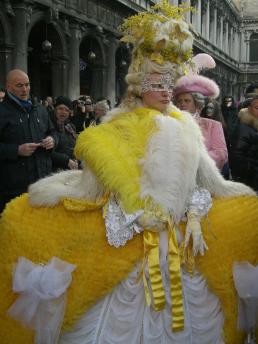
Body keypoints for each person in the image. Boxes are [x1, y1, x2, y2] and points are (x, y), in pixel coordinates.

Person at [0, 3, 257, 344]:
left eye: (170, 84)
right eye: (156, 82)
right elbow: (98, 179)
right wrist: (126, 206)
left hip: (176, 236)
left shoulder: (185, 125)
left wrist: (215, 199)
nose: (166, 91)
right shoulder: (117, 122)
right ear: (138, 85)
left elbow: (205, 176)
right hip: (132, 233)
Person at [0, 69, 56, 213]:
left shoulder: (40, 110)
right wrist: (16, 150)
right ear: (8, 87)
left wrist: (52, 140)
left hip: (42, 183)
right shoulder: (2, 111)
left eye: (27, 85)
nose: (25, 89)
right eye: (19, 85)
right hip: (14, 188)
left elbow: (53, 132)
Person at [174, 54, 228, 171]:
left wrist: (195, 161)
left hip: (203, 179)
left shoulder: (212, 125)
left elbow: (221, 154)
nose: (182, 104)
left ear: (197, 104)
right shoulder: (170, 123)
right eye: (179, 101)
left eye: (187, 101)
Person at [230, 95, 258, 191]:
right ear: (249, 109)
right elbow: (237, 157)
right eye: (257, 108)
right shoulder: (244, 128)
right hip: (250, 182)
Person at [51, 96, 79, 172]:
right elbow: (47, 153)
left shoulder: (70, 127)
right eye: (60, 108)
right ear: (55, 109)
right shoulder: (49, 126)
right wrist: (66, 160)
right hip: (55, 171)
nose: (63, 112)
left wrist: (76, 160)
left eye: (67, 110)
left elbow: (74, 146)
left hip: (71, 170)